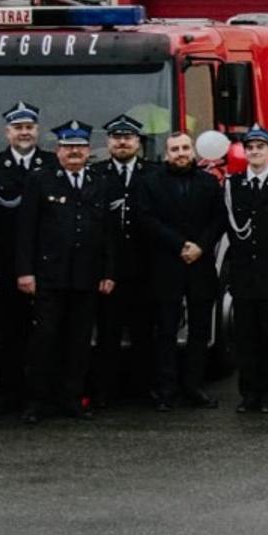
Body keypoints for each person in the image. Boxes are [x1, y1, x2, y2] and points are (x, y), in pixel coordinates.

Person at [16, 120, 117, 424]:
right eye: (69, 147)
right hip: (50, 276)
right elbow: (26, 230)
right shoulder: (41, 180)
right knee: (45, 340)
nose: (75, 152)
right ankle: (37, 402)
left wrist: (108, 272)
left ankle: (72, 399)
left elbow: (108, 233)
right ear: (58, 150)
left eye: (80, 147)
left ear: (89, 150)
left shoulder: (100, 181)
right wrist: (25, 272)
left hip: (86, 277)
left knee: (79, 342)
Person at [135, 131, 224, 411]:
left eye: (186, 147)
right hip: (166, 266)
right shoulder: (149, 183)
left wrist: (200, 246)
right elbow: (145, 219)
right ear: (166, 153)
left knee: (199, 331)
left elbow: (219, 219)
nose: (181, 153)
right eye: (175, 149)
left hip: (200, 266)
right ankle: (165, 390)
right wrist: (180, 245)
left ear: (193, 151)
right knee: (165, 332)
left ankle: (194, 387)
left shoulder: (209, 183)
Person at [0, 101, 53, 414]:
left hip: (48, 262)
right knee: (9, 332)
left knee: (47, 333)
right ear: (7, 132)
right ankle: (9, 395)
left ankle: (42, 394)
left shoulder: (52, 163)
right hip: (8, 265)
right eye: (18, 127)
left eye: (29, 127)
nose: (24, 132)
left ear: (37, 130)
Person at [225, 125, 268, 414]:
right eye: (250, 147)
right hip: (244, 274)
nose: (254, 152)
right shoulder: (234, 184)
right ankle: (249, 393)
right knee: (246, 338)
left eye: (260, 147)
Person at [91, 114, 155, 409]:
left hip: (144, 267)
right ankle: (105, 391)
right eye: (116, 138)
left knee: (144, 333)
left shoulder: (153, 173)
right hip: (108, 268)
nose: (122, 142)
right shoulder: (96, 173)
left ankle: (144, 390)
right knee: (108, 333)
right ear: (108, 143)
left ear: (138, 143)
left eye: (128, 137)